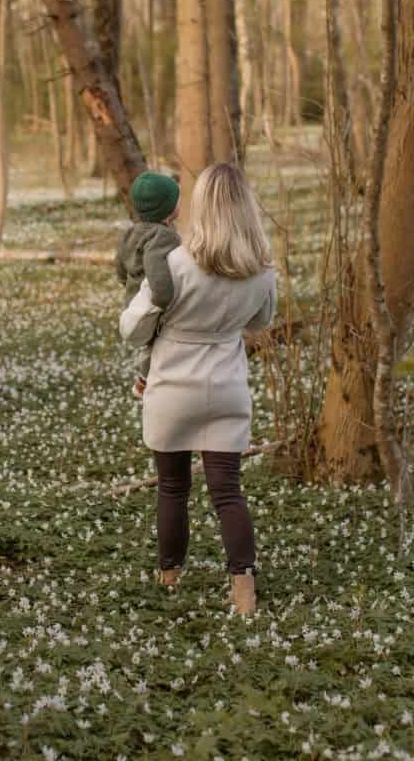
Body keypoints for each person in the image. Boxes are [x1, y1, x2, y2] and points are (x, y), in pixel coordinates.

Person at [119, 163, 276, 615]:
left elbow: (132, 328)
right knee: (227, 491)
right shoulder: (260, 268)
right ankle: (243, 590)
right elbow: (261, 320)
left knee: (172, 487)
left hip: (172, 387)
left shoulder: (173, 264)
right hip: (226, 386)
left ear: (200, 207)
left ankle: (169, 576)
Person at [116, 171, 182, 397]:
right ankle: (144, 381)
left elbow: (120, 269)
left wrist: (128, 284)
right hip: (153, 304)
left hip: (133, 300)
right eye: (176, 199)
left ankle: (145, 379)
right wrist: (165, 298)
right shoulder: (163, 237)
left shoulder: (130, 234)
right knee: (156, 344)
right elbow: (155, 267)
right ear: (168, 209)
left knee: (150, 346)